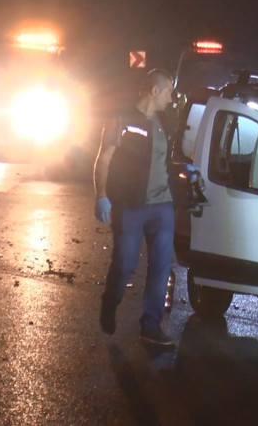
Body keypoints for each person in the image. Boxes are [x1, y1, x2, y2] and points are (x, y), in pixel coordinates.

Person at [94, 68, 179, 346]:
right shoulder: (122, 118)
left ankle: (151, 326)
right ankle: (110, 301)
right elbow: (104, 158)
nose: (171, 98)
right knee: (124, 264)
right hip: (130, 205)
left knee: (161, 267)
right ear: (155, 91)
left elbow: (171, 158)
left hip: (162, 205)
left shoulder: (167, 120)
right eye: (168, 92)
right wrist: (101, 194)